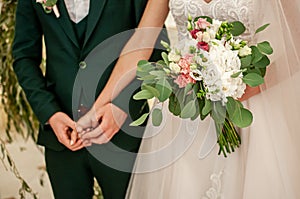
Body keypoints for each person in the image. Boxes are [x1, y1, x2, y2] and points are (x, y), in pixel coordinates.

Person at [81, 0, 300, 198]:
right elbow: (142, 40)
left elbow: (296, 42)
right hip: (184, 110)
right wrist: (99, 103)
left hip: (250, 109)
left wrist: (235, 88)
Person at [12, 0, 168, 198]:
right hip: (64, 139)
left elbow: (157, 51)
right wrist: (50, 113)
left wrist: (122, 107)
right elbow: (24, 57)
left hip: (124, 136)